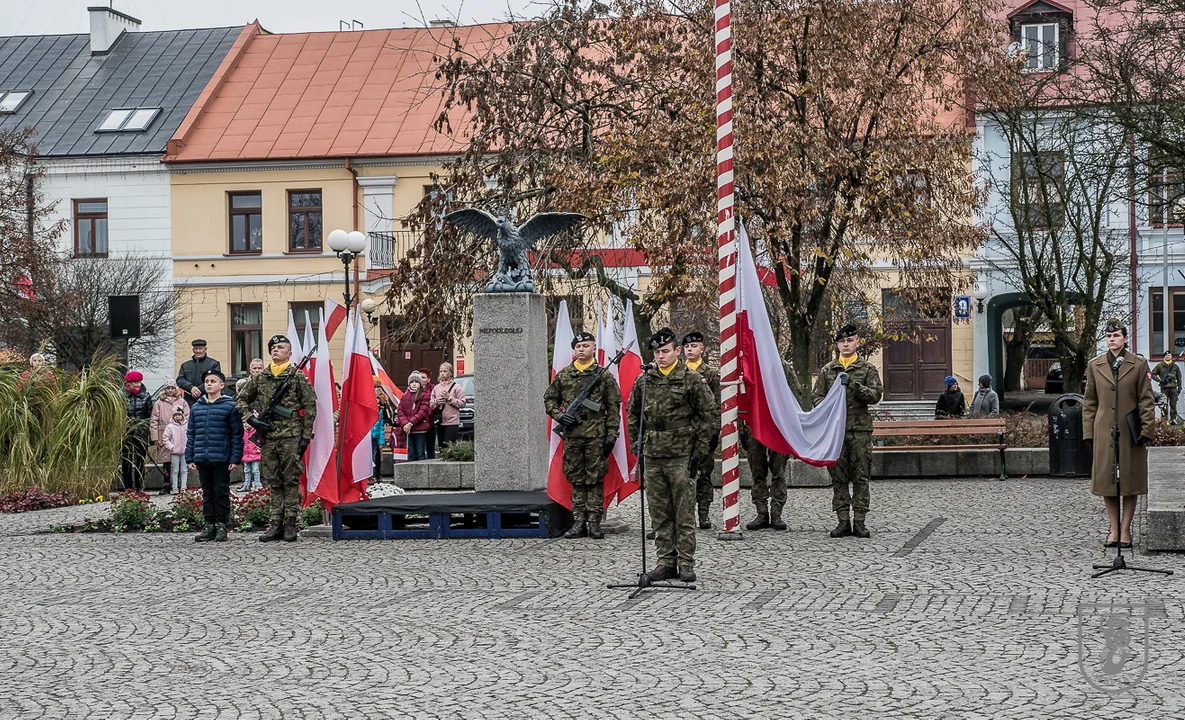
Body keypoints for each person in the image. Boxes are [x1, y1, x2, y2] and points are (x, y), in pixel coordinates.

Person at [626, 327, 714, 582]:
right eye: (657, 352)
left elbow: (707, 416)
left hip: (681, 453)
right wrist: (637, 447)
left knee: (683, 511)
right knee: (659, 511)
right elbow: (633, 414)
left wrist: (699, 452)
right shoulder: (645, 379)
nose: (660, 356)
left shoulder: (691, 379)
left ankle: (686, 562)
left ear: (677, 351)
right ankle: (665, 561)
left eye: (665, 351)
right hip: (653, 454)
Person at [235, 335, 316, 543]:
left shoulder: (298, 377)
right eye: (272, 347)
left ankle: (290, 523)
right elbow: (241, 400)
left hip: (290, 434)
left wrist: (306, 436)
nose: (275, 350)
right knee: (273, 481)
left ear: (289, 353)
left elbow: (309, 408)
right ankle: (275, 523)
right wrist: (252, 420)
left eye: (280, 347)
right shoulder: (261, 376)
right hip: (269, 435)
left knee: (290, 480)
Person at [1082, 319, 1156, 549]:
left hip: (1129, 430)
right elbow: (1090, 401)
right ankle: (1113, 530)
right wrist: (1088, 433)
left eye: (1116, 336)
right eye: (1108, 337)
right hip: (1105, 431)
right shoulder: (1096, 365)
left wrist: (1147, 429)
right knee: (1108, 482)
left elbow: (1146, 399)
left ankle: (1126, 531)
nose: (1111, 340)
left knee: (1129, 482)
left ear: (1125, 339)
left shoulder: (1138, 364)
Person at [545, 331, 623, 540]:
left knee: (595, 479)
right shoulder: (564, 375)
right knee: (577, 479)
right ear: (574, 349)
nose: (581, 350)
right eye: (578, 347)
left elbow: (614, 408)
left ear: (593, 349)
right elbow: (549, 400)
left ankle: (595, 523)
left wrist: (611, 436)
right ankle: (578, 521)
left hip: (596, 435)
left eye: (586, 346)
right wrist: (560, 416)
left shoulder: (603, 376)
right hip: (573, 435)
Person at [812, 323, 883, 539]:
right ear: (837, 345)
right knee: (839, 477)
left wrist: (854, 385)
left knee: (861, 477)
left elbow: (875, 395)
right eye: (842, 341)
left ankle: (860, 521)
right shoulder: (828, 370)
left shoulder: (867, 369)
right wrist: (826, 406)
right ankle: (843, 520)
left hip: (859, 431)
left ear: (857, 342)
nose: (846, 344)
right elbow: (816, 397)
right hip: (836, 432)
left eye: (849, 340)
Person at [187, 370, 243, 542]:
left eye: (213, 381)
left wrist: (235, 458)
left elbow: (236, 434)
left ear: (221, 385)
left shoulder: (229, 406)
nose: (209, 384)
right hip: (202, 457)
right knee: (207, 492)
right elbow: (191, 434)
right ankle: (209, 524)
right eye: (207, 381)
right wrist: (190, 457)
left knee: (221, 491)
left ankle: (221, 525)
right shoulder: (197, 407)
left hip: (221, 458)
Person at [681, 332, 720, 530]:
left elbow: (717, 406)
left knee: (704, 475)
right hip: (682, 434)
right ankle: (685, 515)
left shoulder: (711, 374)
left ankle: (703, 513)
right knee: (682, 477)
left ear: (702, 349)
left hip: (703, 434)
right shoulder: (678, 372)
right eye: (687, 347)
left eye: (694, 346)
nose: (690, 350)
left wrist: (714, 433)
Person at [149, 380, 189, 494]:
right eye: (168, 388)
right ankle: (167, 483)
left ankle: (182, 485)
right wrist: (155, 437)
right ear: (164, 389)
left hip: (180, 435)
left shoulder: (182, 402)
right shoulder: (159, 402)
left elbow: (188, 417)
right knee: (166, 461)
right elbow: (154, 420)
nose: (170, 390)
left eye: (172, 388)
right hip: (164, 435)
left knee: (181, 462)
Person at [120, 370, 153, 491]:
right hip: (126, 432)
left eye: (139, 382)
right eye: (135, 382)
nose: (138, 384)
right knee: (126, 460)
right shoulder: (120, 396)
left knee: (140, 460)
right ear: (128, 383)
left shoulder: (146, 396)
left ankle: (140, 486)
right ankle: (128, 486)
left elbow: (150, 415)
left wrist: (148, 431)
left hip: (141, 432)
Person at [397, 372, 433, 462]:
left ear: (420, 384)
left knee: (420, 453)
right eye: (411, 382)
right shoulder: (404, 396)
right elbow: (400, 411)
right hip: (408, 430)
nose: (413, 384)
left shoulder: (424, 396)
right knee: (411, 454)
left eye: (416, 382)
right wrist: (405, 424)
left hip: (420, 429)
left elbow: (422, 412)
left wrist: (410, 423)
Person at [431, 362, 468, 448]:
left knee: (449, 447)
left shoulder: (456, 387)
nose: (442, 373)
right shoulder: (436, 388)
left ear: (450, 373)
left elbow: (462, 403)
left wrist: (450, 398)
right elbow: (431, 404)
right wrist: (437, 401)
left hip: (452, 422)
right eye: (441, 371)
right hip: (440, 421)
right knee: (441, 447)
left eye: (445, 371)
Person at [236, 378, 262, 492]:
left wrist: (258, 447)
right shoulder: (243, 431)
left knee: (256, 469)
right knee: (246, 470)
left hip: (255, 453)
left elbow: (259, 440)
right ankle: (246, 484)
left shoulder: (256, 431)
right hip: (246, 453)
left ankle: (257, 484)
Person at [177, 339, 222, 405]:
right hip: (188, 402)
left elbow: (215, 380)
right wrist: (191, 388)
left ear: (205, 349)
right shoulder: (185, 365)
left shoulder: (214, 364)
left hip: (207, 401)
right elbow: (179, 380)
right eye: (196, 349)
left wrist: (199, 390)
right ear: (193, 350)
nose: (198, 351)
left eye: (200, 348)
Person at [162, 408, 190, 493]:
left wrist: (189, 446)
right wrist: (171, 447)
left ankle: (183, 487)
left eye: (179, 415)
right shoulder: (170, 427)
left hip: (185, 451)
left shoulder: (187, 425)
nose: (177, 417)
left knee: (184, 470)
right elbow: (165, 438)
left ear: (182, 415)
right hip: (174, 452)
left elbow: (191, 436)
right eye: (175, 415)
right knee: (175, 470)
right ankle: (174, 488)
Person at [1151, 350, 1180, 423]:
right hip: (1164, 388)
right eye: (1166, 355)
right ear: (1164, 357)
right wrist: (1160, 381)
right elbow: (1153, 374)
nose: (1168, 356)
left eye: (1169, 355)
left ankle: (1173, 419)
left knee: (1173, 405)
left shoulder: (1175, 366)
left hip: (1173, 387)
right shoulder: (1160, 365)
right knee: (1163, 404)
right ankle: (1164, 420)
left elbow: (1179, 377)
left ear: (1171, 356)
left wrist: (1179, 388)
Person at [419, 367, 438, 459]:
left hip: (430, 423)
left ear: (428, 379)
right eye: (419, 377)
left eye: (423, 377)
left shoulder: (433, 389)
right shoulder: (413, 389)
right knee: (420, 448)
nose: (421, 379)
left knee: (430, 447)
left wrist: (426, 415)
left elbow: (432, 405)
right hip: (418, 423)